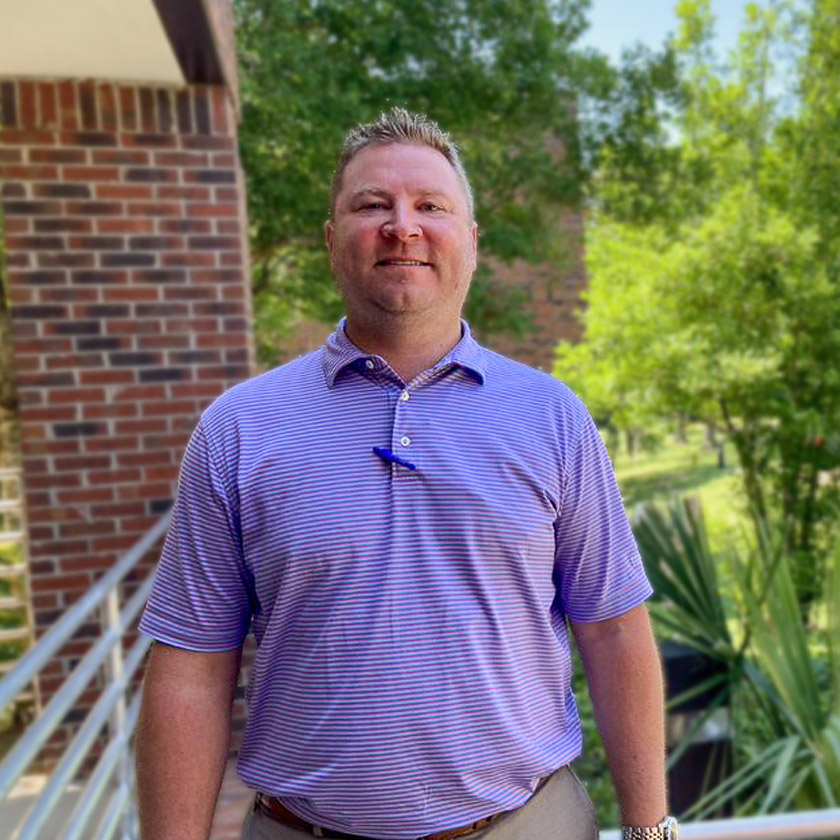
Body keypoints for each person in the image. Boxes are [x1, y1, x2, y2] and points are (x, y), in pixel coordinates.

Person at [135, 108, 676, 840]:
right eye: (372, 206)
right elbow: (193, 666)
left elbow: (613, 630)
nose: (402, 226)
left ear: (472, 244)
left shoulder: (553, 417)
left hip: (528, 825)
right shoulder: (238, 429)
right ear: (332, 243)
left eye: (430, 205)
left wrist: (650, 831)